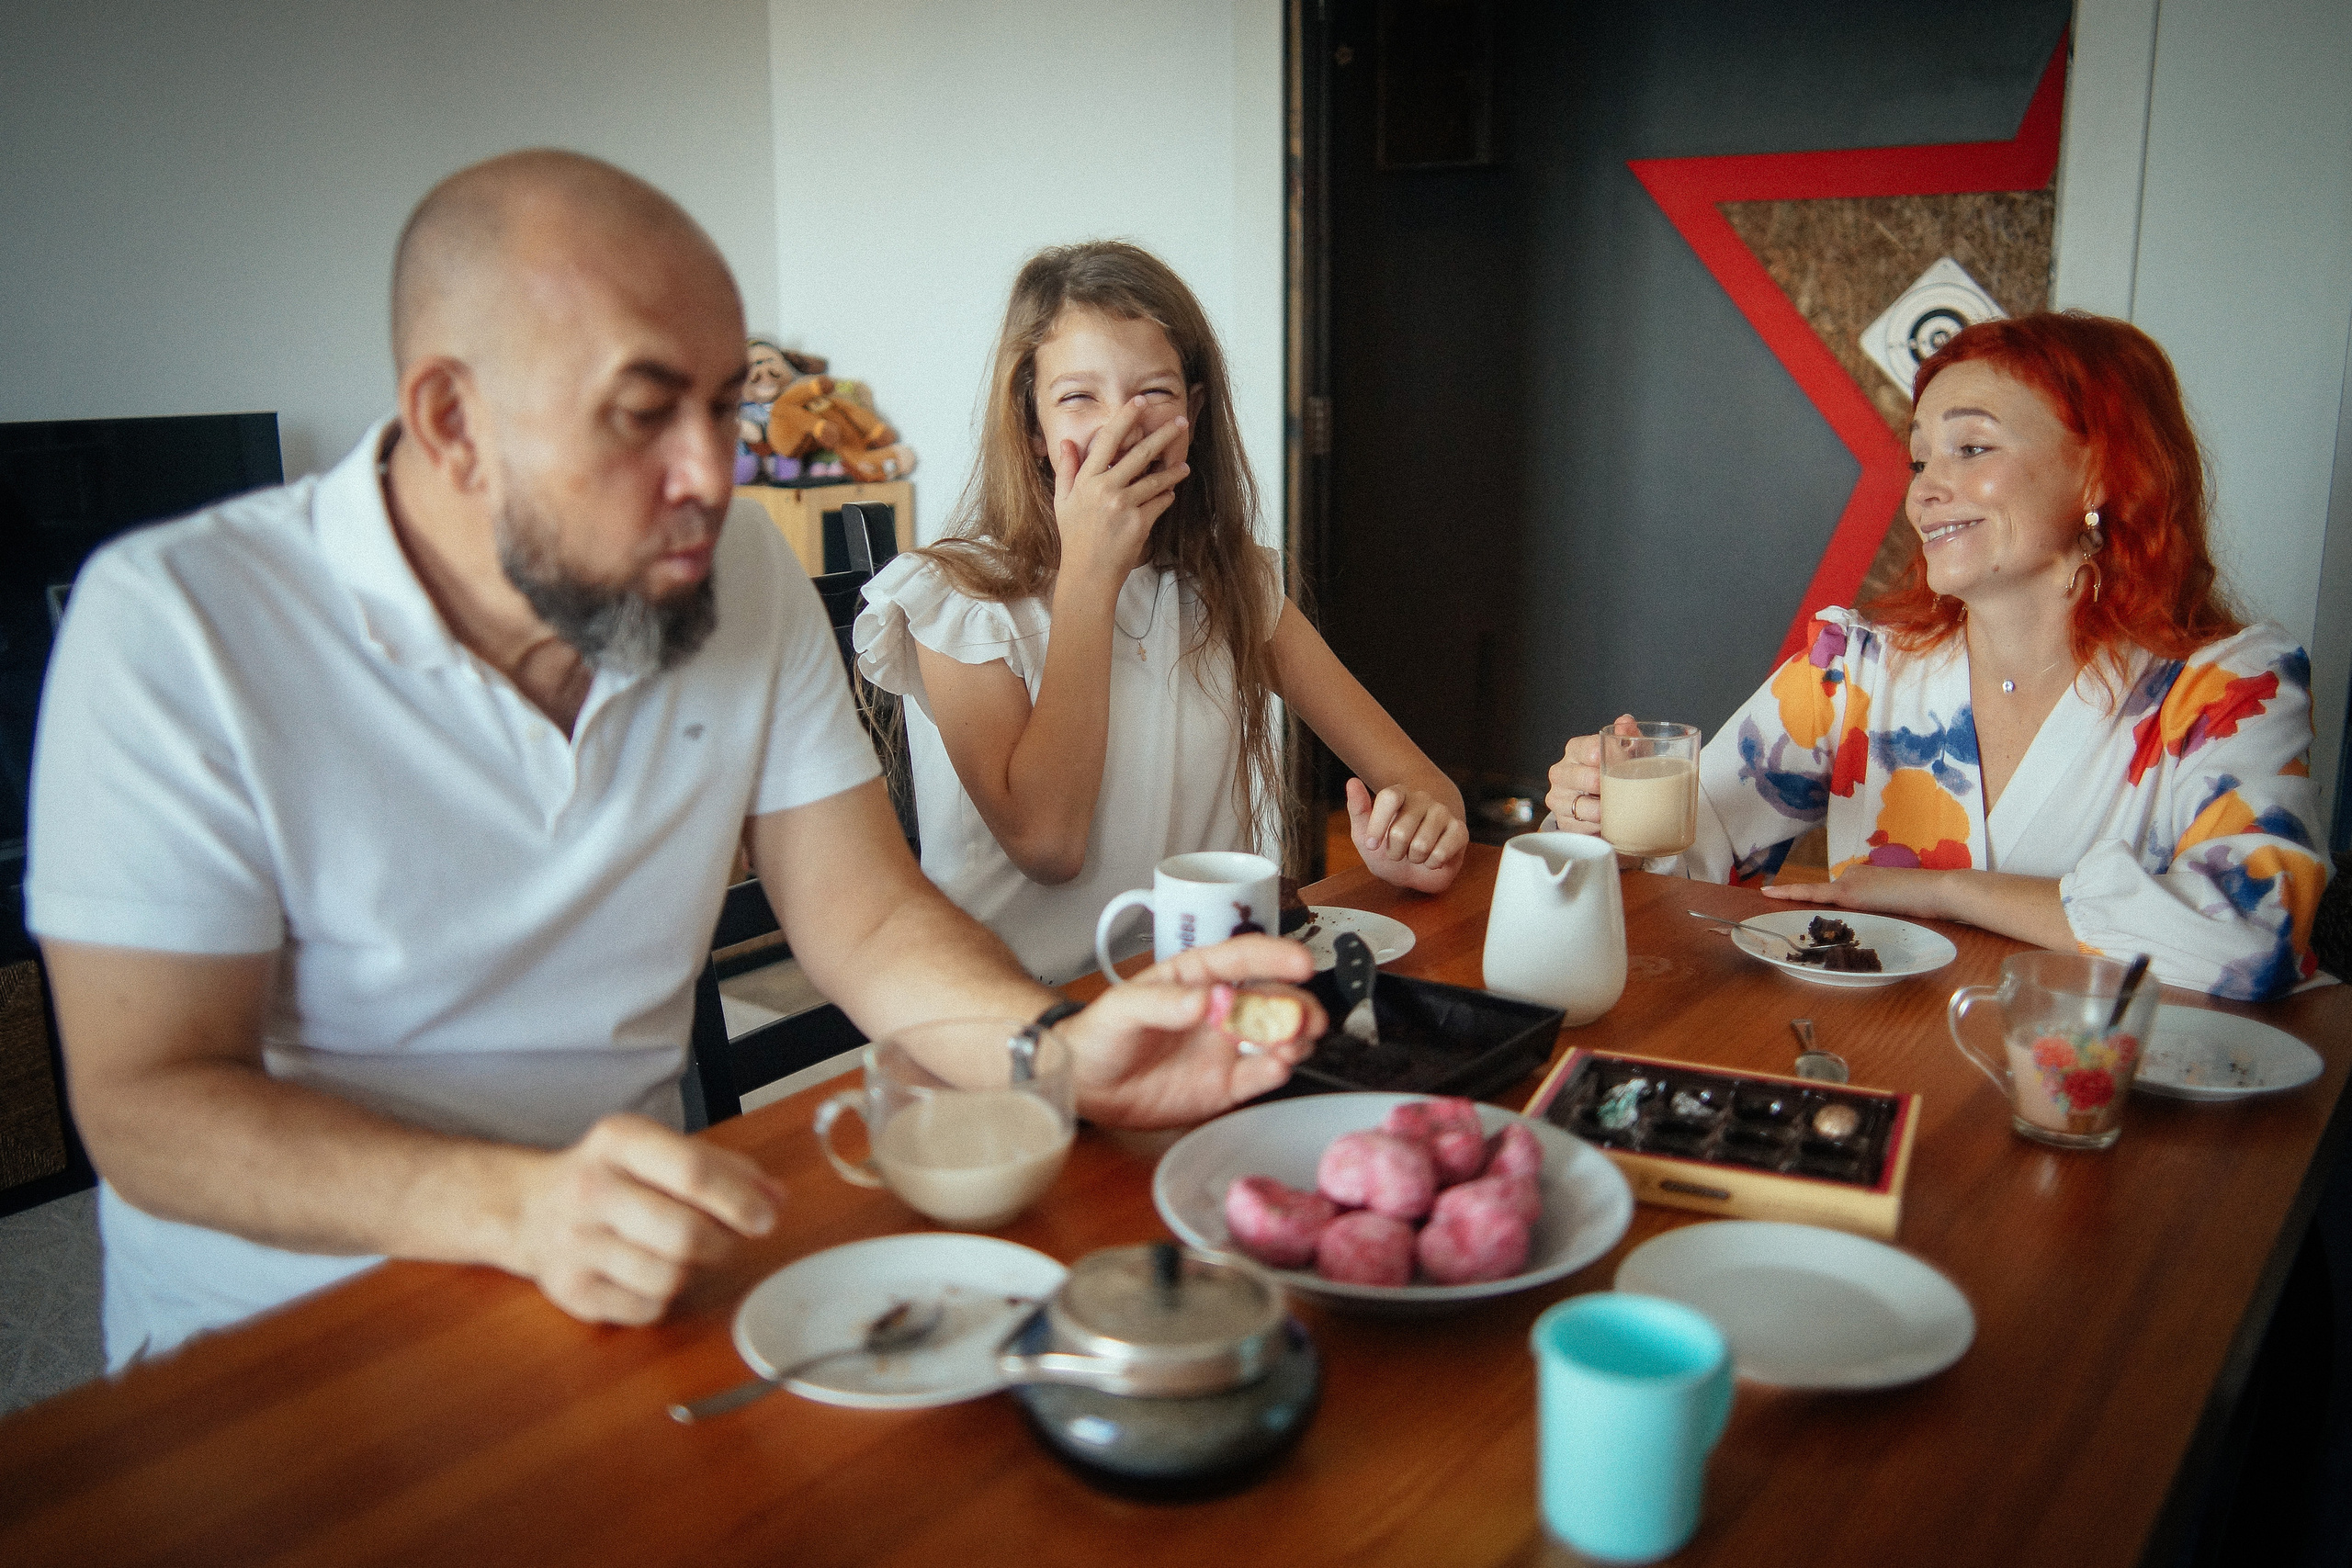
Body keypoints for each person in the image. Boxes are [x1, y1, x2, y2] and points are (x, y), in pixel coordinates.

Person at [26, 152, 1321, 1369]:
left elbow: (865, 917)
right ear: (452, 418)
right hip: (282, 1338)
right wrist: (515, 1205)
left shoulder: (735, 567)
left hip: (644, 1274)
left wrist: (1060, 1051)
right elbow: (149, 1101)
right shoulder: (175, 621)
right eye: (646, 415)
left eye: (724, 407)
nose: (712, 475)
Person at [1544, 311, 2327, 1000]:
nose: (1924, 492)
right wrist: (1603, 820)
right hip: (1897, 1083)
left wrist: (1947, 891)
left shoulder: (2231, 688)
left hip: (2121, 1118)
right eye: (1921, 460)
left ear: (2104, 470)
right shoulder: (1853, 670)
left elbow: (2253, 939)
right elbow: (1688, 855)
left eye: (1971, 447)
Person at [855, 242, 1467, 982]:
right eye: (1080, 397)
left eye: (1155, 393)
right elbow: (1049, 844)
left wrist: (1420, 840)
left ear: (1195, 415)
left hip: (1206, 1001)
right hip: (1023, 1018)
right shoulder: (954, 599)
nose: (1123, 425)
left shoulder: (1230, 580)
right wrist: (1089, 570)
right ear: (1033, 430)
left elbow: (1426, 787)